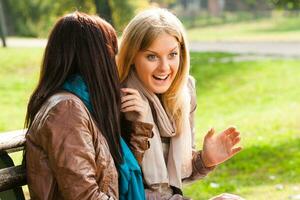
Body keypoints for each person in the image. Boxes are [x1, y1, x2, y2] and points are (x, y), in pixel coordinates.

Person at [117, 8, 243, 200]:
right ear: (132, 56)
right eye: (152, 56)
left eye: (172, 54)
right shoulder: (121, 98)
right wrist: (140, 126)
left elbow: (177, 176)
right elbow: (120, 180)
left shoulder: (184, 95)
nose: (164, 67)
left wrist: (205, 160)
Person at [24, 12, 149, 200]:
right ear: (96, 59)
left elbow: (116, 179)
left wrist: (137, 126)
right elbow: (85, 196)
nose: (115, 63)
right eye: (112, 54)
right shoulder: (66, 111)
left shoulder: (84, 105)